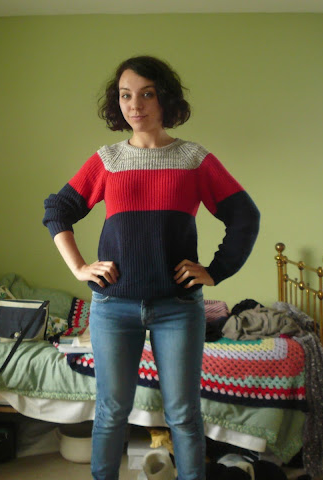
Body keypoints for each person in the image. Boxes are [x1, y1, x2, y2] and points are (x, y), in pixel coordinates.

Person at [43, 55, 260, 480]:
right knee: (111, 411)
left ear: (166, 99)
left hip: (177, 306)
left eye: (146, 94)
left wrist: (216, 270)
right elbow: (58, 209)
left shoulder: (193, 158)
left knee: (183, 413)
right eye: (126, 95)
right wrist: (79, 267)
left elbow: (244, 216)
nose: (135, 105)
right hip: (113, 306)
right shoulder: (108, 159)